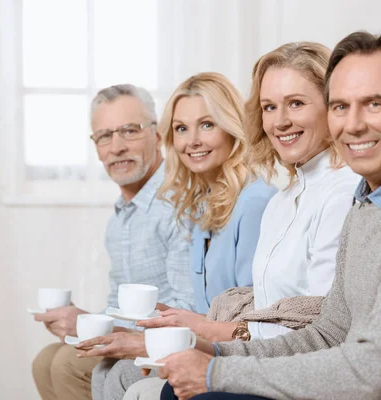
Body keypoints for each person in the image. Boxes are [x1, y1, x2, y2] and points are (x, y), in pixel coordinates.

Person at [159, 31, 381, 400]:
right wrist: (216, 351)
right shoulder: (368, 200)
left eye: (374, 104)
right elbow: (328, 333)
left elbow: (368, 373)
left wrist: (218, 371)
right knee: (180, 389)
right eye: (340, 107)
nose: (353, 124)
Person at [125, 42, 361, 399]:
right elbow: (268, 315)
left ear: (333, 106)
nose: (280, 121)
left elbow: (322, 328)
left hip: (307, 373)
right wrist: (203, 338)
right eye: (269, 107)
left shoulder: (343, 192)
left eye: (296, 103)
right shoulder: (282, 202)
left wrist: (211, 337)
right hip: (270, 358)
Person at [84, 72, 277, 400]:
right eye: (181, 129)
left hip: (237, 351)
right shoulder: (202, 204)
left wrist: (167, 339)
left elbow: (255, 319)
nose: (193, 141)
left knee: (121, 378)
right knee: (106, 372)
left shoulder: (255, 201)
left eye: (207, 124)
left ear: (231, 127)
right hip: (200, 339)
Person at [30, 84, 195, 400]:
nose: (116, 147)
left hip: (168, 343)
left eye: (129, 131)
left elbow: (188, 309)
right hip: (132, 338)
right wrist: (84, 322)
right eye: (104, 136)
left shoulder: (179, 203)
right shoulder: (119, 219)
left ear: (157, 135)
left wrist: (97, 329)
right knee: (45, 360)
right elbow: (118, 307)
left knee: (66, 363)